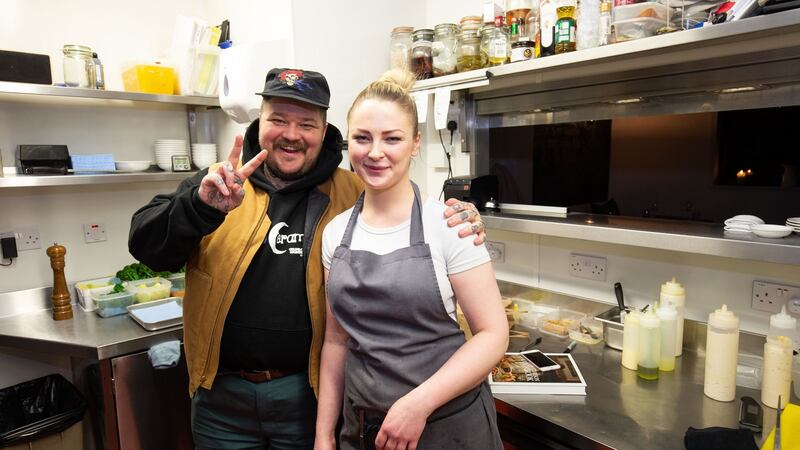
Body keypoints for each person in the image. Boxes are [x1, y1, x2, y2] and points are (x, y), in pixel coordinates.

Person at [128, 67, 486, 449]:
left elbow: (405, 211)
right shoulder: (221, 183)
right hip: (222, 399)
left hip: (308, 396)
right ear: (260, 121)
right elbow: (147, 247)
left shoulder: (352, 192)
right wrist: (199, 207)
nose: (291, 134)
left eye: (306, 124)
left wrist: (460, 215)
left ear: (325, 130)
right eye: (279, 120)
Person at [315, 69, 508, 450]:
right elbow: (336, 342)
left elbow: (493, 335)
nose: (375, 152)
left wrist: (418, 404)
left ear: (415, 143)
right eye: (362, 138)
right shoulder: (335, 233)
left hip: (447, 428)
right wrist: (323, 435)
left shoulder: (450, 225)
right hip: (365, 429)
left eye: (392, 138)